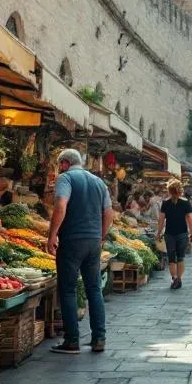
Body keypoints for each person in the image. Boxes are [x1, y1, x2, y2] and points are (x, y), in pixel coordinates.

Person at [48, 149, 114, 354]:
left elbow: (60, 205)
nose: (59, 168)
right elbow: (108, 213)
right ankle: (99, 338)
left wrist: (52, 235)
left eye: (60, 164)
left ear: (66, 163)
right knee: (94, 289)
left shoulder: (65, 178)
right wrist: (101, 236)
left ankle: (72, 341)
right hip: (93, 242)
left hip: (72, 240)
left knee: (68, 290)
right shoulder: (98, 182)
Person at [156, 179, 192, 289]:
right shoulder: (185, 203)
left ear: (169, 190)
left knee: (171, 259)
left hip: (169, 234)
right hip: (182, 234)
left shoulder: (165, 203)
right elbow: (190, 219)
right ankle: (179, 278)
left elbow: (161, 220)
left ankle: (174, 278)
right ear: (180, 190)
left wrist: (158, 233)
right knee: (180, 258)